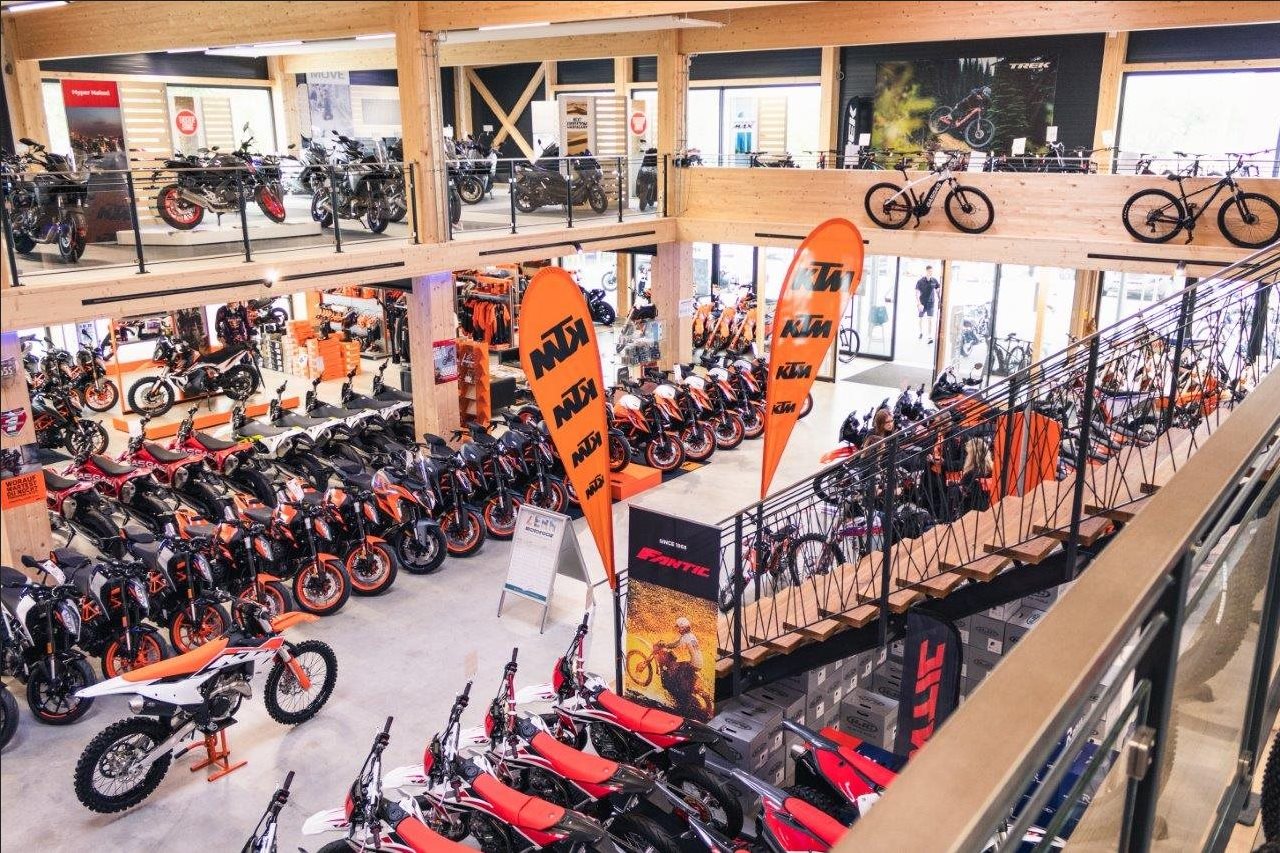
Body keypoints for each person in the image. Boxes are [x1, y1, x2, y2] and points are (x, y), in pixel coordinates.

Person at [654, 616, 703, 704]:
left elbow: (677, 646)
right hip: (699, 663)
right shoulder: (691, 636)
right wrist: (668, 645)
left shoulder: (685, 638)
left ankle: (675, 688)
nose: (678, 630)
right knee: (677, 665)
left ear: (683, 628)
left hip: (693, 664)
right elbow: (678, 644)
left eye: (679, 628)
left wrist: (666, 647)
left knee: (673, 669)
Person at [959, 437, 993, 512]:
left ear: (971, 455)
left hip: (971, 512)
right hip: (989, 509)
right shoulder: (992, 471)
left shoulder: (970, 474)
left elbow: (964, 496)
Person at [916, 265, 941, 344]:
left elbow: (938, 291)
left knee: (930, 320)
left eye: (932, 271)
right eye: (929, 271)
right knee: (920, 319)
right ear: (926, 271)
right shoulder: (920, 281)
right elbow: (917, 293)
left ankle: (929, 337)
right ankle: (920, 332)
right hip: (922, 303)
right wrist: (919, 303)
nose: (931, 273)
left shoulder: (934, 280)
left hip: (931, 303)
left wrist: (940, 300)